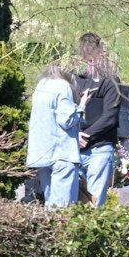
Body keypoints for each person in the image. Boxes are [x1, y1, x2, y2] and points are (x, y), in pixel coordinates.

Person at [70, 31, 123, 206]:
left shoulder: (111, 82)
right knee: (69, 202)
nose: (91, 62)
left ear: (101, 55)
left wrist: (85, 136)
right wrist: (75, 136)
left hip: (99, 150)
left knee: (94, 204)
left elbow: (110, 117)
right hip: (73, 148)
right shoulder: (74, 80)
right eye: (87, 58)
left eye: (94, 58)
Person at [26, 60, 83, 208]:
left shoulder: (41, 85)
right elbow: (66, 120)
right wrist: (81, 106)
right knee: (62, 208)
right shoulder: (63, 86)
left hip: (43, 152)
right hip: (62, 153)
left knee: (50, 204)